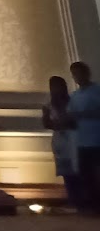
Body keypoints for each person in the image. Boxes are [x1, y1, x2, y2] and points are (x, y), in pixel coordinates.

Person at [42, 75, 81, 209]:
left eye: (58, 86)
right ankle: (72, 198)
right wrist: (57, 124)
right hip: (60, 139)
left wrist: (66, 122)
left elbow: (76, 120)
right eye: (53, 86)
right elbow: (46, 123)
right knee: (66, 171)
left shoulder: (72, 102)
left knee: (78, 169)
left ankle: (83, 199)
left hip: (73, 138)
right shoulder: (48, 105)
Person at [69, 61, 100, 212]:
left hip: (97, 138)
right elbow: (71, 115)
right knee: (86, 174)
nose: (77, 77)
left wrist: (87, 114)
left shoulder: (97, 91)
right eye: (74, 74)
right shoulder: (75, 96)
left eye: (79, 73)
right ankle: (92, 204)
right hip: (82, 140)